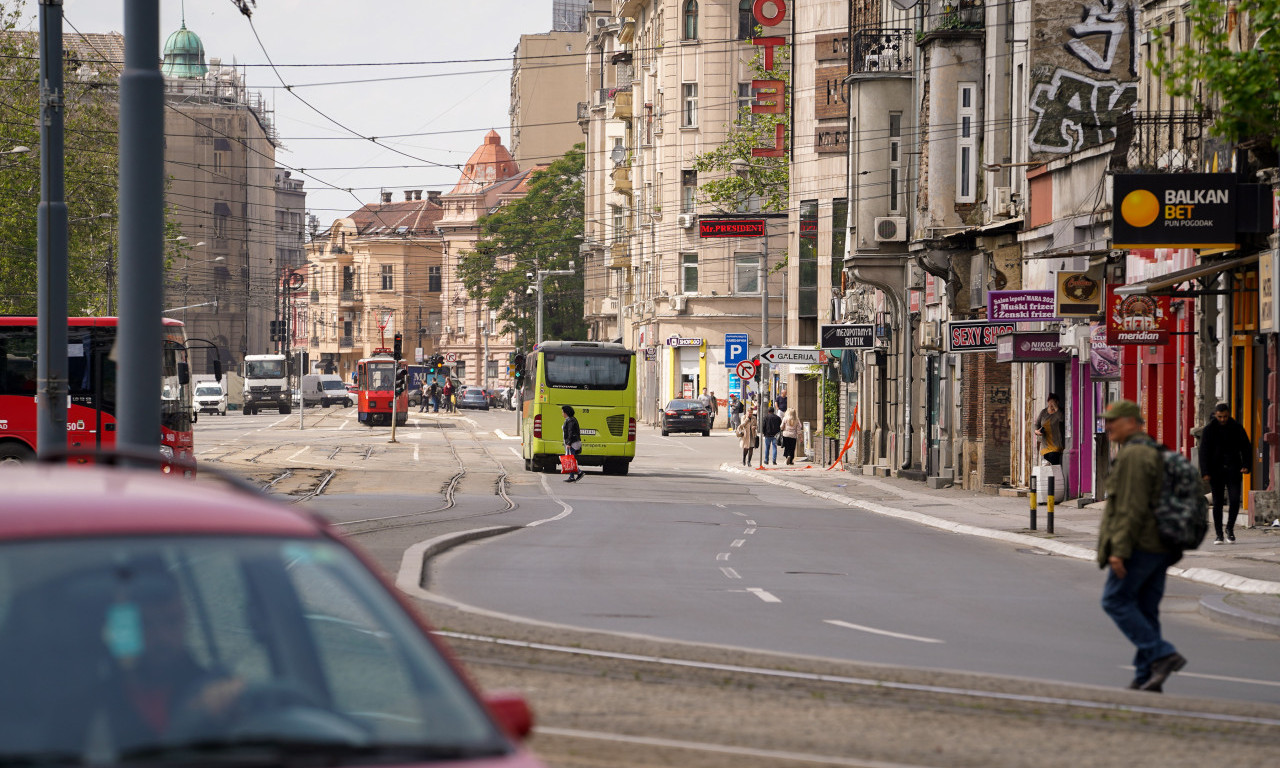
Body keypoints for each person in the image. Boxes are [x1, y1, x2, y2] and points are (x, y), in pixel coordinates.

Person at [1097, 399, 1186, 693]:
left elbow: (1130, 507)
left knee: (1115, 600)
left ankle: (1162, 654)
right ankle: (1146, 675)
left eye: (1114, 421)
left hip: (1141, 545)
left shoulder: (1134, 455)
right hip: (1161, 543)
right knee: (1146, 610)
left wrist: (1119, 550)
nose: (1108, 426)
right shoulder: (1153, 452)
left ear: (1132, 423)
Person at [1199, 403, 1252, 544]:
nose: (1223, 419)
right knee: (1217, 503)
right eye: (1220, 417)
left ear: (1229, 415)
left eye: (1225, 417)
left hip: (1233, 468)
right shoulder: (1209, 430)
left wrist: (1246, 465)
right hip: (1215, 471)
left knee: (1234, 500)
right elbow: (1203, 452)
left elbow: (1246, 447)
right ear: (1216, 415)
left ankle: (1230, 529)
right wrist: (1205, 471)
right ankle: (1219, 534)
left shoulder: (1237, 428)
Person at [1034, 393, 1065, 465]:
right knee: (1049, 466)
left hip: (1056, 445)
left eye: (1053, 404)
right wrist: (1036, 431)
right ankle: (1054, 476)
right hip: (1045, 446)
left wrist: (1056, 408)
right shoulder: (1043, 412)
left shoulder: (1060, 412)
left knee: (1054, 464)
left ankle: (1056, 476)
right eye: (1049, 403)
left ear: (1057, 403)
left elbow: (1062, 419)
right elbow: (1037, 424)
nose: (1051, 406)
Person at [561, 404, 583, 482]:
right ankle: (573, 475)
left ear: (566, 412)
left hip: (572, 443)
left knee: (570, 459)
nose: (562, 413)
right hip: (572, 442)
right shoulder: (571, 419)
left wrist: (569, 443)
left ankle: (578, 473)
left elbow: (570, 432)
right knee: (570, 459)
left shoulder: (570, 420)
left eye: (563, 412)